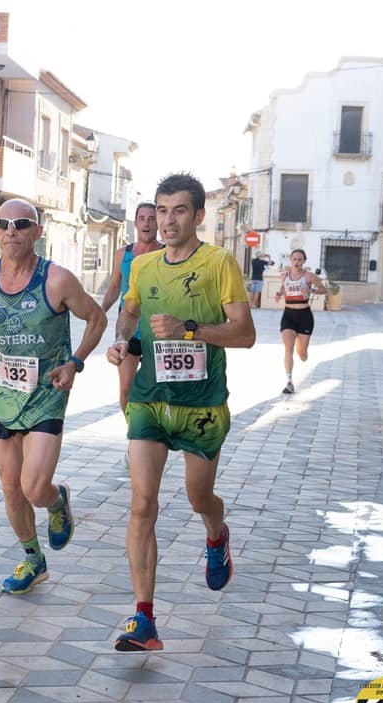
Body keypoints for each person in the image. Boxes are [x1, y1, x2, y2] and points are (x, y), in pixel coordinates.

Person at [106, 173, 255, 651]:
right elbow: (130, 312)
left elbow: (245, 333)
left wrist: (189, 328)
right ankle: (144, 619)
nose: (168, 221)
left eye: (179, 211)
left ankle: (216, 534)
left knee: (198, 498)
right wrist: (122, 342)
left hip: (201, 405)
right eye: (162, 211)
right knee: (141, 503)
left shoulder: (219, 263)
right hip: (150, 399)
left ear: (198, 215)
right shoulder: (143, 266)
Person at [0, 198, 107, 594]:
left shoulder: (57, 280)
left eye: (22, 224)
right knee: (11, 487)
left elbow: (97, 318)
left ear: (37, 232)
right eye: (3, 224)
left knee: (33, 487)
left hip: (47, 393)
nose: (11, 231)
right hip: (0, 395)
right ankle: (33, 560)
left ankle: (56, 501)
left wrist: (74, 363)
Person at [100, 203, 163, 415]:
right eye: (142, 218)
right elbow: (114, 286)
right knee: (126, 388)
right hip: (128, 328)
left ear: (158, 223)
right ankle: (133, 430)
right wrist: (101, 310)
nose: (147, 223)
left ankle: (151, 428)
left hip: (157, 329)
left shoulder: (167, 253)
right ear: (135, 223)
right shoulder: (122, 254)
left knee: (157, 388)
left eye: (151, 218)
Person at [275, 249, 326, 395]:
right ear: (290, 260)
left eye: (299, 259)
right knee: (288, 349)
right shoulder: (284, 276)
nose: (297, 262)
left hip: (304, 316)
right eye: (294, 259)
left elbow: (324, 289)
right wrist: (279, 293)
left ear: (304, 261)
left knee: (302, 354)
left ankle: (302, 350)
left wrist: (311, 291)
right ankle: (289, 382)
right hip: (288, 315)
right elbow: (283, 288)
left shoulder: (309, 276)